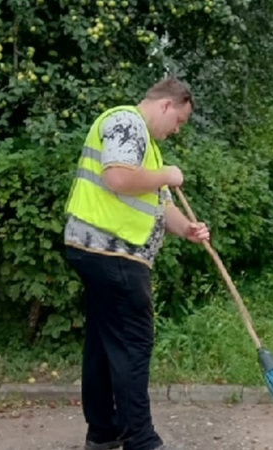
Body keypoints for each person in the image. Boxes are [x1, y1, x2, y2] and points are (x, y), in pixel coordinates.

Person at [63, 77, 210, 450]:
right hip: (113, 252)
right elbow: (118, 178)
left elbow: (158, 205)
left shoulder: (145, 144)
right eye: (179, 120)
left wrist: (188, 229)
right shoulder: (127, 123)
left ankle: (104, 431)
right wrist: (169, 174)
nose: (176, 130)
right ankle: (140, 439)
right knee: (133, 342)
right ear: (166, 105)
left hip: (99, 251)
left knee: (104, 341)